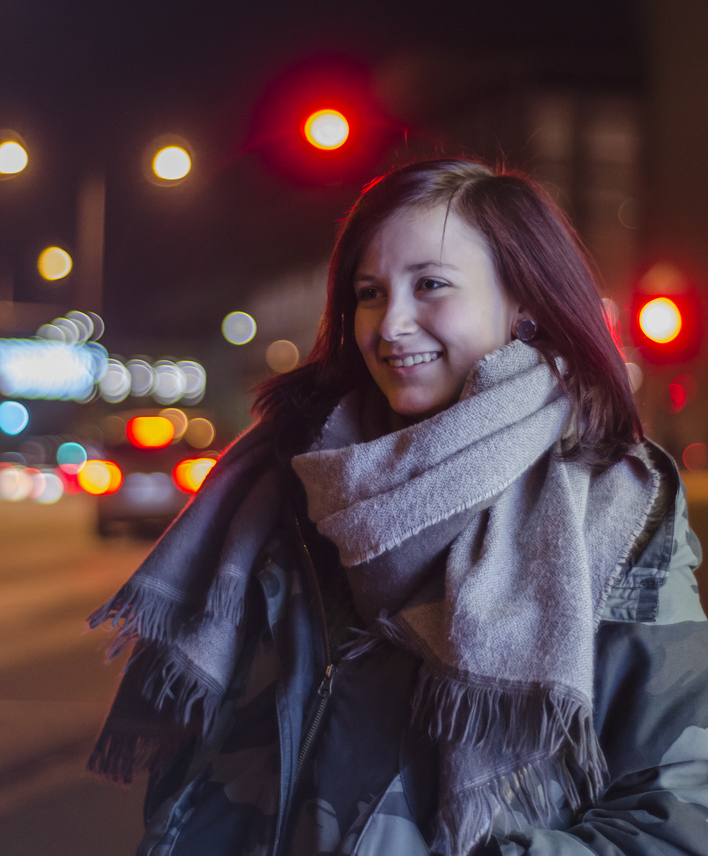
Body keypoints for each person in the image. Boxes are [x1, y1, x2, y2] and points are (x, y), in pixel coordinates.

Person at [89, 159, 708, 856]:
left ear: (524, 303)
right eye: (370, 293)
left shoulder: (611, 500)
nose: (391, 325)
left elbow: (677, 809)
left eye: (431, 285)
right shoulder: (288, 478)